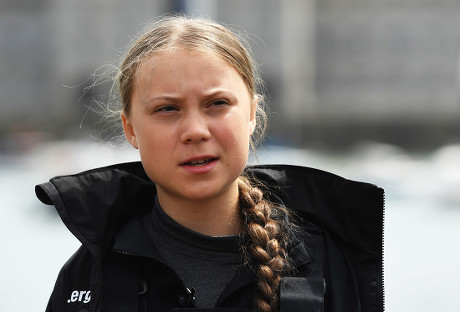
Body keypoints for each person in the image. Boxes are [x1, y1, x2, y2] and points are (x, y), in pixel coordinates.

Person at [36, 16, 384, 312]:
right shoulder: (89, 278)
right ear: (130, 129)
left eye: (216, 103)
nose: (195, 131)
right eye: (167, 109)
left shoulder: (328, 263)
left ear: (251, 114)